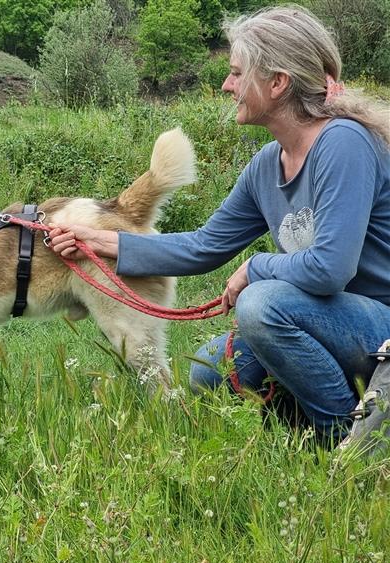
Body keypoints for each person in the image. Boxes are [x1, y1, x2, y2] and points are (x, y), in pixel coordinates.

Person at [47, 5, 390, 446]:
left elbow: (329, 269)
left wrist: (255, 268)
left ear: (277, 82)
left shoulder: (343, 144)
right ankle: (304, 418)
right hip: (325, 326)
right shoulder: (268, 165)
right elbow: (203, 246)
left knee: (261, 306)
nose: (227, 85)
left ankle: (343, 438)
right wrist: (99, 240)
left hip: (378, 330)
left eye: (236, 73)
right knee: (208, 371)